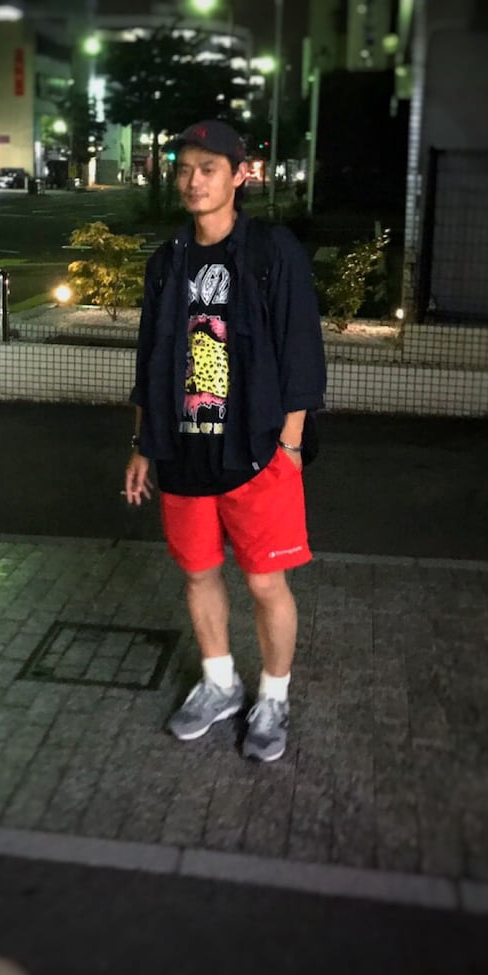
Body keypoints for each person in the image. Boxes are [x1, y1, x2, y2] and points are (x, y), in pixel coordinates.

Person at [124, 119, 326, 762]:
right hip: (183, 450)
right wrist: (142, 443)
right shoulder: (168, 261)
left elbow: (301, 350)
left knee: (266, 583)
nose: (193, 181)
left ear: (240, 175)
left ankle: (274, 696)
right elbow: (150, 359)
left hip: (256, 449)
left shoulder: (271, 252)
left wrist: (289, 447)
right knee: (198, 573)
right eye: (184, 169)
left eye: (208, 169)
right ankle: (220, 683)